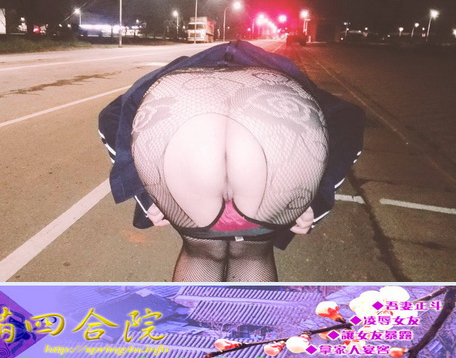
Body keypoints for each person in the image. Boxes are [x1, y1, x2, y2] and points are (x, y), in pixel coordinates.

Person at [98, 41, 365, 282]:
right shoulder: (281, 71)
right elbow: (349, 119)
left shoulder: (176, 71)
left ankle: (194, 323)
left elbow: (111, 117)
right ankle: (247, 322)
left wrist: (144, 193)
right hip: (269, 153)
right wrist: (317, 200)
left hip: (189, 144)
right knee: (253, 256)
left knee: (201, 254)